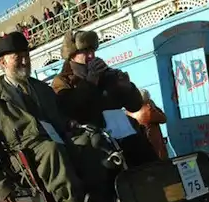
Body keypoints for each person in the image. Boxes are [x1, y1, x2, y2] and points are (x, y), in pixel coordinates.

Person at [0, 31, 109, 202]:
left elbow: (58, 119)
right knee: (50, 149)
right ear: (2, 62)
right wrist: (0, 186)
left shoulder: (41, 89)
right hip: (23, 159)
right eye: (18, 57)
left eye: (26, 56)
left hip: (55, 141)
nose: (24, 61)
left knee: (91, 141)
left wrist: (70, 123)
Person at [52, 30, 159, 167]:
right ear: (72, 55)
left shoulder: (106, 74)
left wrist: (127, 88)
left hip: (124, 133)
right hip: (92, 141)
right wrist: (90, 82)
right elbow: (71, 109)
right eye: (85, 51)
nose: (91, 56)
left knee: (149, 162)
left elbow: (135, 106)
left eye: (92, 50)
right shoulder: (62, 81)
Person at [126, 89, 169, 160]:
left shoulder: (129, 112)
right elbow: (163, 119)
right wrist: (154, 107)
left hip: (139, 143)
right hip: (154, 143)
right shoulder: (149, 110)